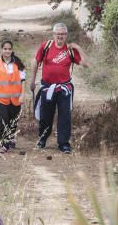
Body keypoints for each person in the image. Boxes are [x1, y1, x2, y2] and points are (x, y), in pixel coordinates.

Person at [29, 23, 89, 153]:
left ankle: (64, 144)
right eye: (58, 34)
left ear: (66, 35)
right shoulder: (46, 46)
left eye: (62, 34)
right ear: (53, 34)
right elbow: (35, 61)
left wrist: (78, 48)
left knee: (64, 116)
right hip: (47, 87)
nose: (60, 36)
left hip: (64, 89)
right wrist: (32, 80)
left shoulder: (70, 50)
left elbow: (86, 64)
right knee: (45, 116)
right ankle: (42, 139)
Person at [0, 40, 26, 153]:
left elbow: (23, 80)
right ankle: (4, 144)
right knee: (4, 120)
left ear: (12, 50)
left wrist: (23, 95)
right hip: (1, 98)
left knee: (13, 121)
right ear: (2, 49)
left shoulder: (18, 63)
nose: (7, 51)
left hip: (16, 98)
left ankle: (11, 137)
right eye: (5, 49)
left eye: (9, 49)